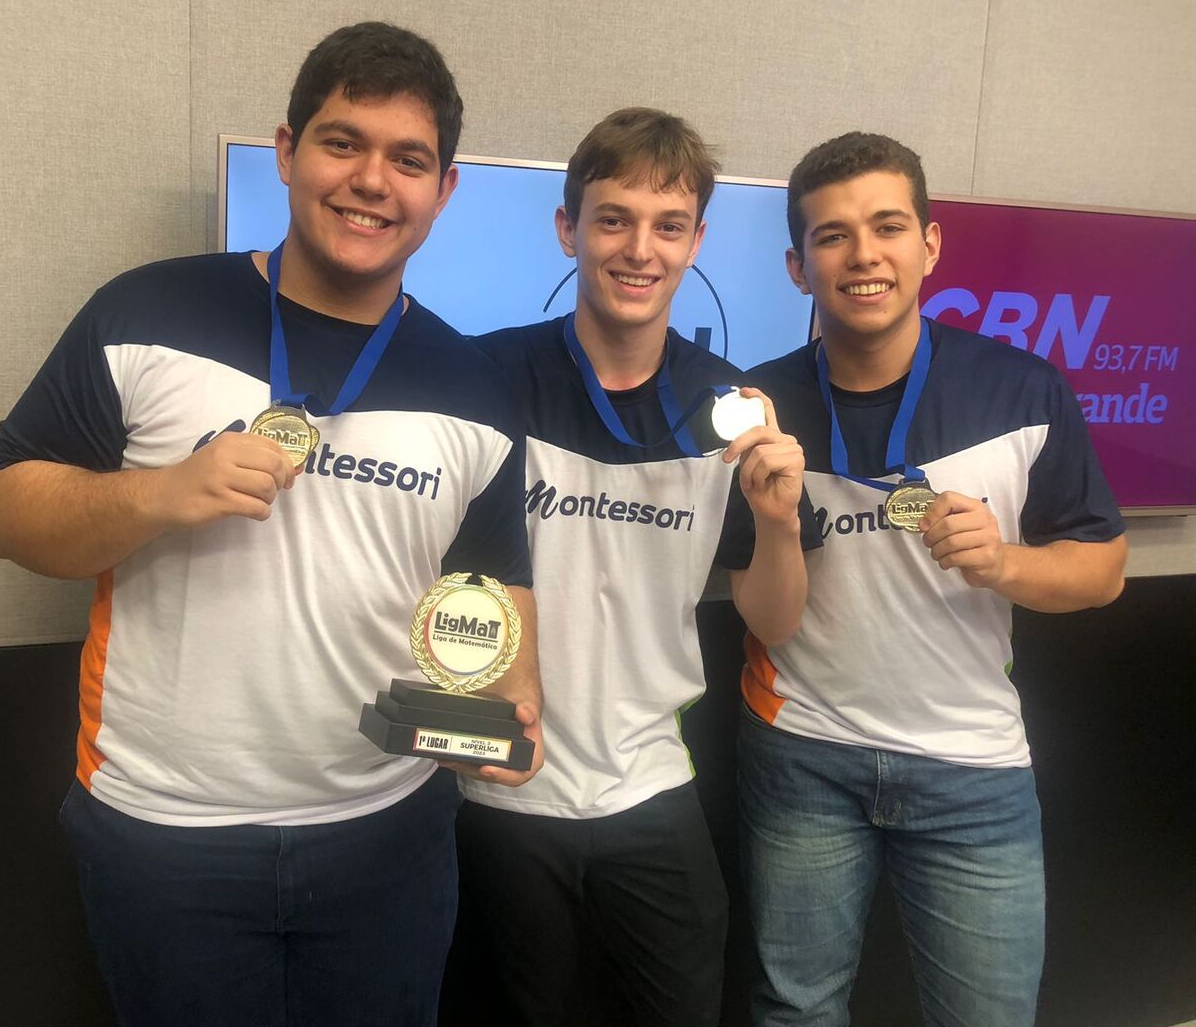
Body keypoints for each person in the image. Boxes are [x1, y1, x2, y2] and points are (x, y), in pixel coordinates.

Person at [0, 21, 542, 1027]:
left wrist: (503, 724)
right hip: (166, 833)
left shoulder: (480, 390)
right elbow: (1, 512)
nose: (372, 179)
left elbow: (494, 615)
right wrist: (157, 493)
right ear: (287, 151)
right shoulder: (146, 311)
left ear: (444, 191)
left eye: (408, 160)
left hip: (388, 833)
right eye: (342, 142)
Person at [731, 132, 1128, 1026]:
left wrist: (1005, 563)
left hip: (971, 767)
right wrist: (772, 522)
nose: (863, 255)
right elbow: (766, 615)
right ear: (798, 266)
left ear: (930, 245)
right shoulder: (756, 409)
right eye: (831, 236)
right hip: (804, 758)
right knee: (794, 1011)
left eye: (887, 226)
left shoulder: (1023, 390)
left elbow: (1102, 570)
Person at [446, 107, 817, 1027]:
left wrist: (777, 525)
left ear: (696, 242)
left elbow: (773, 622)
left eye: (667, 225)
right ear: (568, 227)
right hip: (497, 786)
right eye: (612, 219)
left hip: (651, 787)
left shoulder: (732, 410)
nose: (638, 249)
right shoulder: (479, 382)